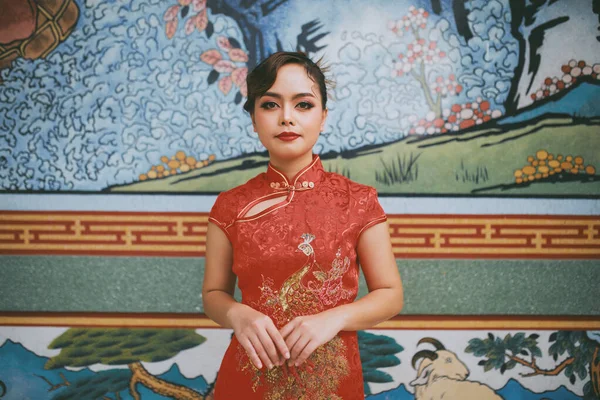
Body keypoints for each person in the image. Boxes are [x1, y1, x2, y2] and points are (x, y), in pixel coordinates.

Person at [202, 51, 404, 399]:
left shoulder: (358, 201)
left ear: (323, 116)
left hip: (331, 382)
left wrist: (334, 318)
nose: (286, 118)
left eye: (303, 105)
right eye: (269, 105)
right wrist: (237, 314)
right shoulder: (230, 205)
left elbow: (391, 294)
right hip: (249, 379)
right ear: (253, 118)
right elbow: (212, 295)